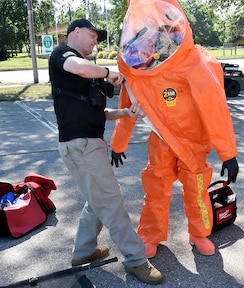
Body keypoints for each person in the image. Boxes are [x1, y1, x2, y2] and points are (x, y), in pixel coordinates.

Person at [110, 0, 239, 259]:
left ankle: (199, 233)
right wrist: (118, 143)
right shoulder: (140, 61)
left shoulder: (192, 62)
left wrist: (228, 153)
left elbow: (214, 109)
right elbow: (130, 101)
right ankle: (150, 235)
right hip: (161, 137)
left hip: (192, 138)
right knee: (156, 187)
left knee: (196, 188)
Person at [48, 18, 163, 285]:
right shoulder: (63, 56)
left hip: (90, 144)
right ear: (76, 32)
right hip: (81, 146)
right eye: (92, 35)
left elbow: (98, 112)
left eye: (98, 38)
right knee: (111, 201)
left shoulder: (89, 73)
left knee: (97, 200)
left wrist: (125, 112)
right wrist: (107, 72)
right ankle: (136, 260)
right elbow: (78, 67)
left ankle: (83, 252)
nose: (95, 41)